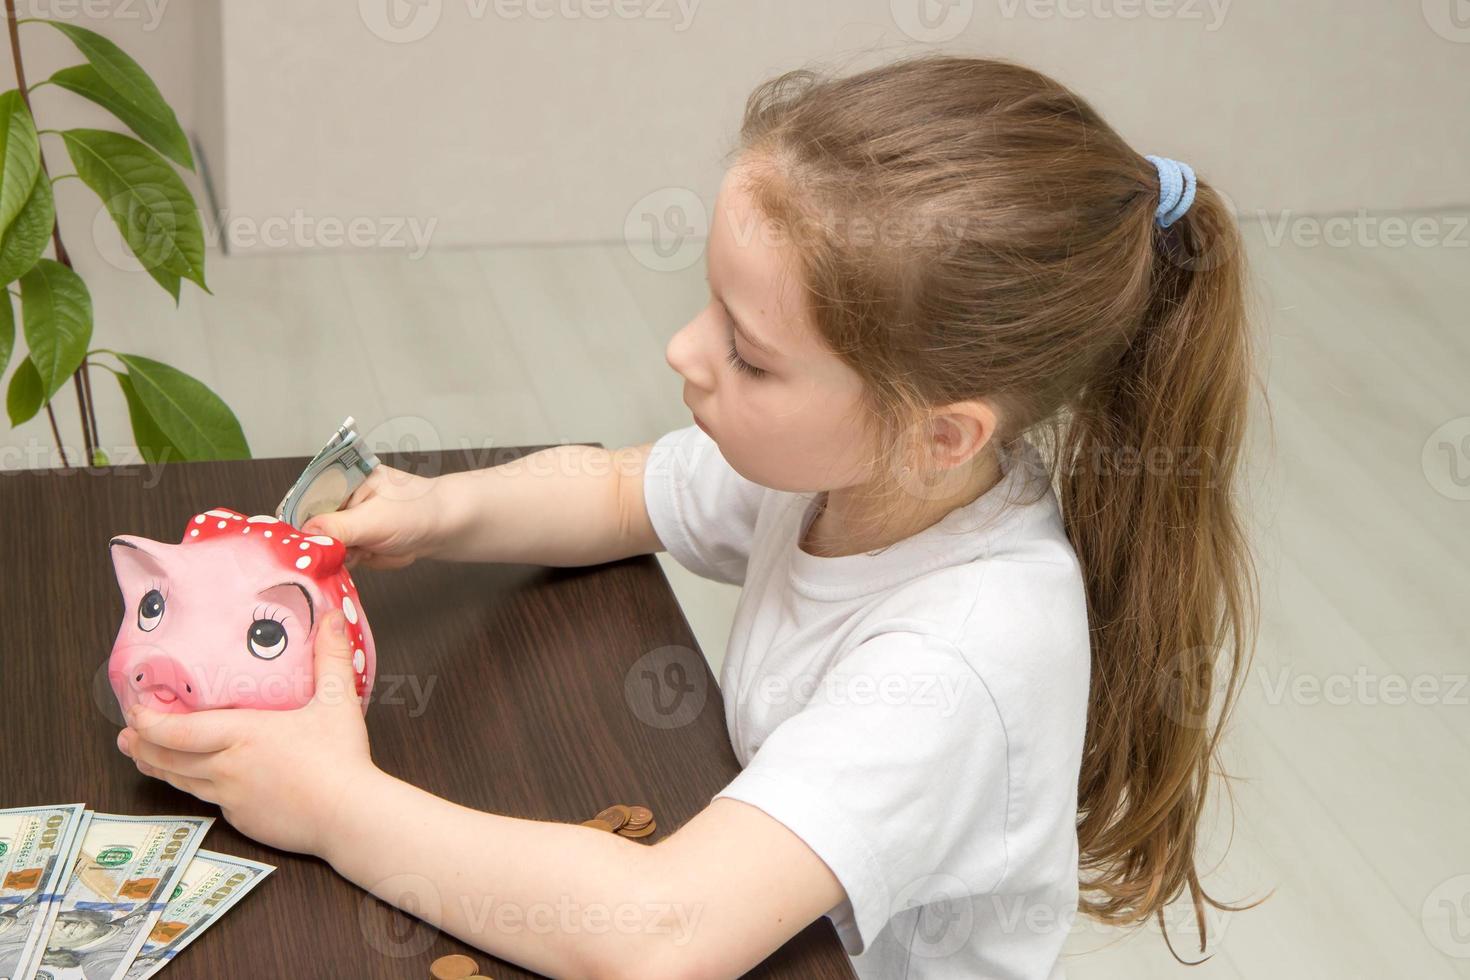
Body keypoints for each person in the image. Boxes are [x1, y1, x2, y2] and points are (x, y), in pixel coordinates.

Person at [115, 54, 1265, 979]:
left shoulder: (962, 657)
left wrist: (331, 802)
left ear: (942, 428)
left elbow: (662, 935)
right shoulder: (859, 467)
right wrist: (442, 508)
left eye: (748, 354)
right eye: (709, 304)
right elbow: (624, 488)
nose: (683, 351)